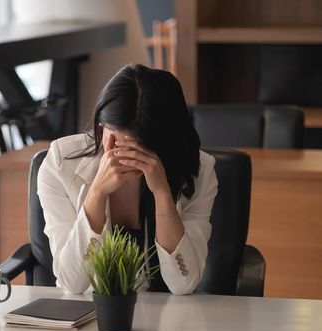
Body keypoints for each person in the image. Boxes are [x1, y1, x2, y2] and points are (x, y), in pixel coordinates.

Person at [37, 64, 218, 295]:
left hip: (168, 317)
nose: (121, 154)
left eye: (137, 149)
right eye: (112, 139)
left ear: (166, 142)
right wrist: (97, 193)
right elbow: (73, 284)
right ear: (101, 124)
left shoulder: (200, 171)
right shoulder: (61, 163)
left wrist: (163, 194)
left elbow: (184, 284)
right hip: (89, 316)